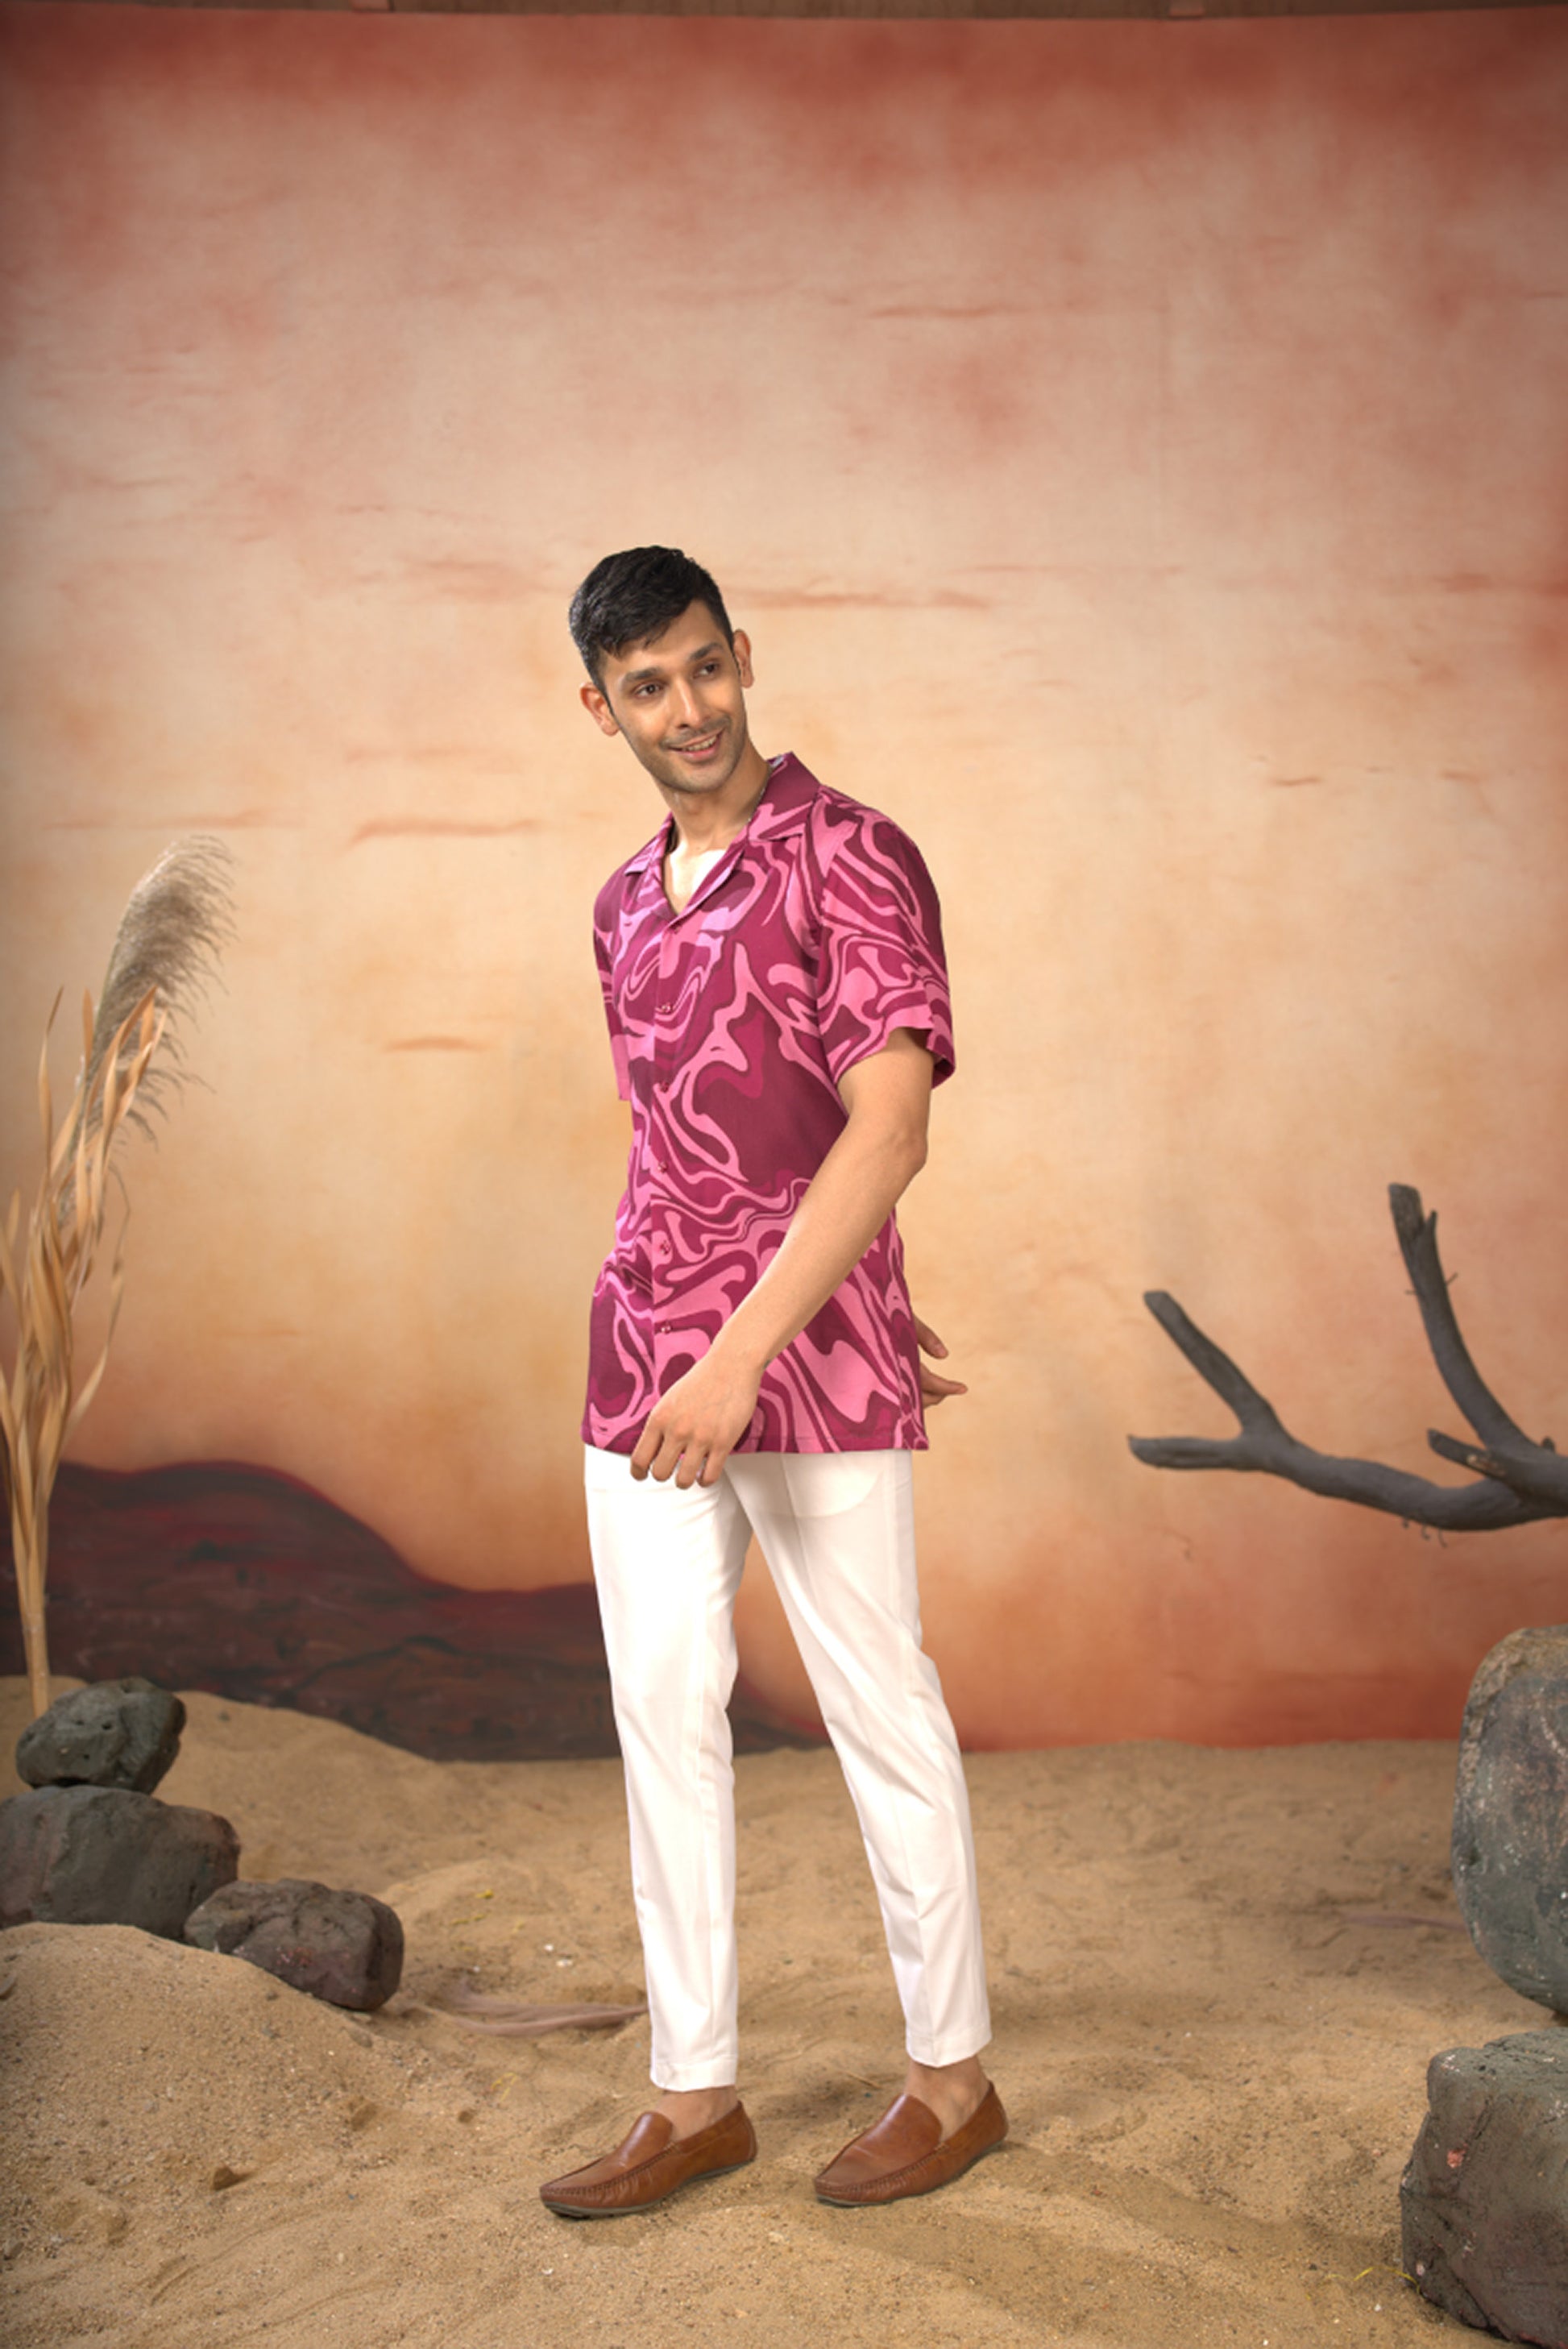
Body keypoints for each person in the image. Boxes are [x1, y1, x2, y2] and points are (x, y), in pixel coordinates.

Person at [538, 546, 1002, 2218]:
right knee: (662, 1716)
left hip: (782, 1364)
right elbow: (697, 1144)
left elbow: (889, 1126)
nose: (687, 709)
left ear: (742, 654)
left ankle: (952, 2081)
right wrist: (735, 1324)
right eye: (645, 686)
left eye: (703, 668)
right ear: (598, 706)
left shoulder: (850, 854)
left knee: (879, 1703)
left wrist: (766, 1343)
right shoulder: (619, 904)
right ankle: (693, 2095)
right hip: (642, 1354)